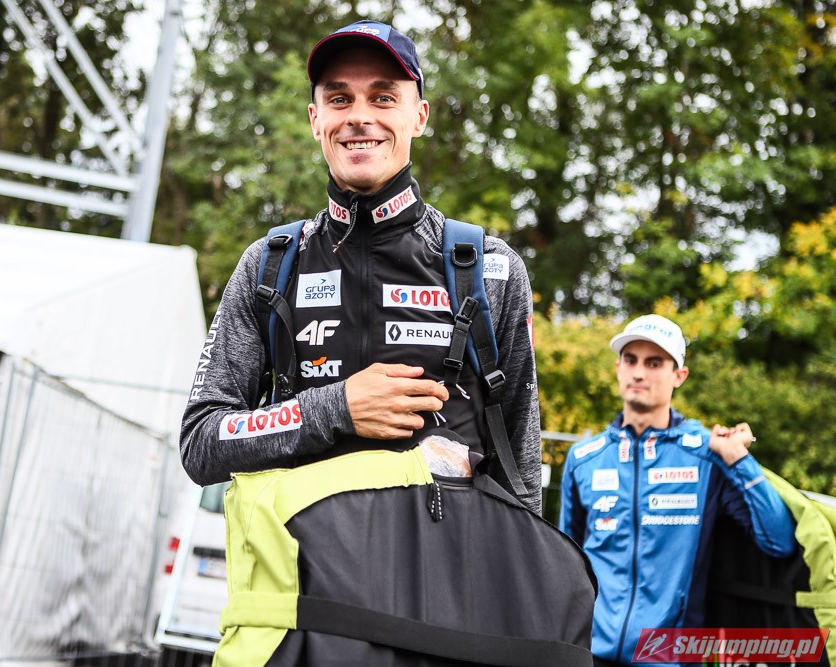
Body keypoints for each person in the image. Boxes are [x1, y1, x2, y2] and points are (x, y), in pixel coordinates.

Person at [180, 19, 542, 513]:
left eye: (383, 97)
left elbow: (521, 475)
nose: (359, 117)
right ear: (315, 120)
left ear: (419, 116)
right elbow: (201, 442)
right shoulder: (270, 264)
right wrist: (337, 408)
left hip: (445, 560)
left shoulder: (489, 269)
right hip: (305, 560)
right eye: (339, 99)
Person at [559, 313, 797, 666]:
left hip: (670, 658)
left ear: (679, 376)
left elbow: (779, 541)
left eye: (654, 363)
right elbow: (566, 564)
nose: (639, 373)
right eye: (630, 360)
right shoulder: (584, 458)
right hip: (589, 653)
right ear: (618, 368)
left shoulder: (707, 454)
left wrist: (739, 459)